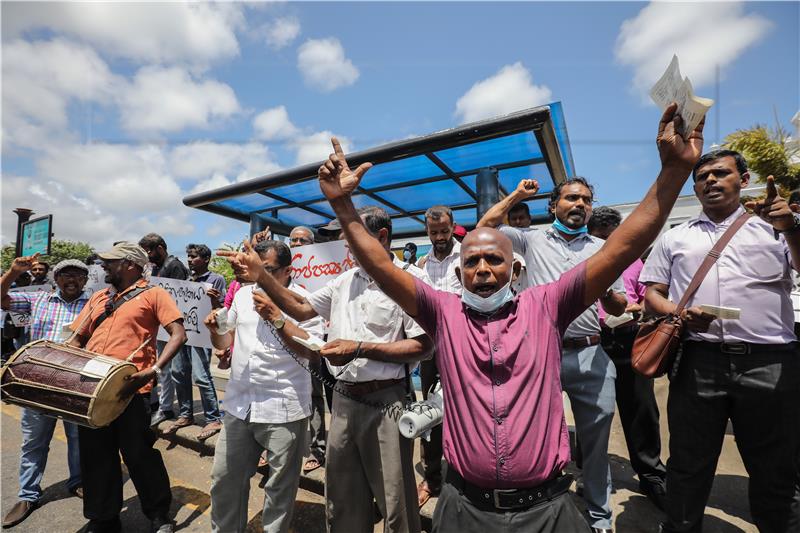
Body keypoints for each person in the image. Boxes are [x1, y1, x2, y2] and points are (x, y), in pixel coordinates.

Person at [309, 103, 703, 533]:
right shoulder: (442, 312)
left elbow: (622, 248)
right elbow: (382, 269)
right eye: (472, 261)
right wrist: (342, 204)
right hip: (463, 511)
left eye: (494, 260)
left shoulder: (548, 305)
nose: (482, 269)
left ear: (515, 270)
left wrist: (674, 172)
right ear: (458, 274)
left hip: (547, 512)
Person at [221, 206, 434, 533]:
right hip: (344, 403)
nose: (347, 248)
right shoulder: (346, 279)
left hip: (386, 402)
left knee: (395, 502)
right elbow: (302, 308)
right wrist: (261, 275)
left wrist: (360, 348)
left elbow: (424, 346)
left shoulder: (412, 280)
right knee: (342, 499)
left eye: (352, 238)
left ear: (381, 237)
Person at [641, 149, 800, 533]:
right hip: (698, 361)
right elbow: (652, 294)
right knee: (687, 466)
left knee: (776, 468)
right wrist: (678, 313)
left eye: (720, 173)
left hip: (771, 362)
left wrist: (792, 227)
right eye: (702, 176)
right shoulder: (675, 237)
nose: (710, 181)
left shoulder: (775, 227)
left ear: (743, 181)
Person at [478, 177, 627, 532]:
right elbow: (485, 227)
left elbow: (620, 304)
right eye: (571, 198)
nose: (579, 204)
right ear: (553, 205)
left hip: (592, 353)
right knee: (536, 435)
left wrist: (606, 294)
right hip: (540, 353)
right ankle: (543, 507)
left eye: (586, 200)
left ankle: (599, 516)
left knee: (595, 440)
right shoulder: (529, 240)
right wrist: (516, 196)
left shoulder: (603, 248)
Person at [67, 242, 186, 533]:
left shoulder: (155, 294)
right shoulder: (97, 297)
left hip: (132, 390)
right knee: (96, 455)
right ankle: (103, 517)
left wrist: (153, 370)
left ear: (130, 264)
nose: (104, 266)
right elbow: (77, 340)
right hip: (91, 389)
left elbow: (178, 334)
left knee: (139, 453)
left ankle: (158, 515)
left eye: (111, 261)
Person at [207, 240, 323, 533]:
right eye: (256, 268)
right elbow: (225, 341)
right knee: (224, 480)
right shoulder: (244, 295)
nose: (258, 275)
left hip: (283, 409)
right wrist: (215, 332)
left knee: (279, 491)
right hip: (238, 406)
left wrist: (278, 317)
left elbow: (312, 352)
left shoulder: (303, 301)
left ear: (287, 271)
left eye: (267, 270)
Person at [587, 206, 667, 510]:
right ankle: (591, 474)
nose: (607, 244)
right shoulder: (584, 262)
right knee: (591, 412)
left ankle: (651, 475)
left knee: (641, 410)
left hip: (628, 341)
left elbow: (647, 299)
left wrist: (630, 309)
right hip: (592, 343)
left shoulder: (634, 262)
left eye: (612, 237)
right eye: (600, 238)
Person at [0, 257, 89, 528]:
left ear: (85, 280)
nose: (71, 279)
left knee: (78, 440)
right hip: (37, 385)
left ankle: (78, 482)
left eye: (77, 275)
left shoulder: (94, 304)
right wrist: (13, 272)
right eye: (65, 274)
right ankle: (28, 495)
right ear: (55, 279)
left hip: (77, 385)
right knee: (34, 442)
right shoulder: (37, 300)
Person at [414, 205, 462, 507]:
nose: (440, 237)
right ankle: (431, 477)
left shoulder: (468, 254)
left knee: (467, 409)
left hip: (463, 347)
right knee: (430, 413)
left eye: (444, 231)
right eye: (434, 233)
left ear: (453, 226)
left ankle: (463, 474)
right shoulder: (421, 263)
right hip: (430, 350)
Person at [164, 244, 224, 440]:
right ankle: (185, 414)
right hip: (184, 334)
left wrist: (215, 301)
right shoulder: (186, 281)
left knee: (201, 376)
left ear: (206, 259)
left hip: (201, 336)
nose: (190, 260)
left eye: (194, 257)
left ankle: (213, 418)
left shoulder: (215, 280)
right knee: (178, 372)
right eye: (189, 256)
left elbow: (222, 310)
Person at [139, 232, 189, 427]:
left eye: (149, 250)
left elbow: (179, 298)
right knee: (162, 369)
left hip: (170, 327)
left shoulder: (174, 266)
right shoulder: (156, 268)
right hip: (161, 326)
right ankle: (163, 405)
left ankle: (167, 408)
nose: (148, 255)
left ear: (160, 248)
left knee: (169, 369)